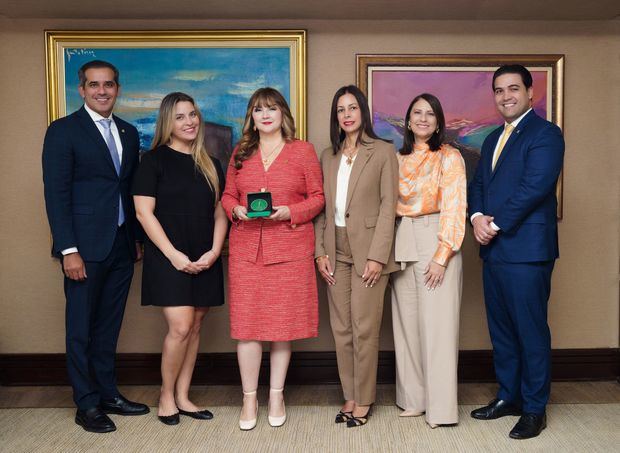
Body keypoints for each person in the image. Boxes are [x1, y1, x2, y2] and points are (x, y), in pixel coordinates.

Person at [42, 60, 149, 433]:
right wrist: (68, 249)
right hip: (83, 248)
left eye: (108, 84)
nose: (102, 91)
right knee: (81, 327)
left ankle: (107, 394)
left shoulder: (129, 132)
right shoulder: (63, 131)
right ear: (82, 89)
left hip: (121, 245)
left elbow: (129, 189)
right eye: (94, 85)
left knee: (108, 325)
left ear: (117, 88)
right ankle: (85, 403)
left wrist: (135, 238)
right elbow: (56, 195)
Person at [468, 65, 565, 439]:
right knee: (503, 330)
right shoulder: (492, 139)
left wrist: (492, 225)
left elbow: (534, 187)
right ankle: (509, 396)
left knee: (530, 330)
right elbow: (478, 184)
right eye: (498, 90)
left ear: (529, 92)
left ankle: (535, 408)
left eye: (513, 88)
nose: (505, 96)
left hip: (526, 251)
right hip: (494, 252)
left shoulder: (546, 134)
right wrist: (476, 216)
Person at [221, 87, 324, 430]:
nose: (265, 115)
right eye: (258, 110)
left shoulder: (303, 151)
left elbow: (318, 198)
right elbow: (228, 195)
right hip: (247, 249)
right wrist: (235, 209)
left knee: (282, 328)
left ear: (283, 114)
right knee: (247, 328)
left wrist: (289, 211)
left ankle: (276, 394)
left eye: (271, 109)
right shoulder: (241, 152)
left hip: (289, 249)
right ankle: (249, 398)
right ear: (251, 117)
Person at [132, 92, 227, 425]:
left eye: (193, 115)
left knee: (196, 325)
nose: (189, 122)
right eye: (180, 117)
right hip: (168, 256)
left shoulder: (212, 164)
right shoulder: (152, 160)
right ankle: (166, 394)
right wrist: (173, 255)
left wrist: (215, 251)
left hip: (205, 255)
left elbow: (220, 213)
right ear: (167, 123)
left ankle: (184, 396)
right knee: (181, 326)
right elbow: (144, 214)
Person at [315, 85, 399, 428]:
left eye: (352, 108)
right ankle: (348, 394)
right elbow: (322, 208)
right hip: (335, 249)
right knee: (341, 328)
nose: (347, 114)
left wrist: (378, 257)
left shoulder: (382, 151)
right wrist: (319, 250)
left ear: (363, 111)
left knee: (365, 328)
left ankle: (364, 399)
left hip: (368, 250)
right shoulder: (328, 156)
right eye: (340, 110)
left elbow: (388, 207)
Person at [390, 93, 466, 428]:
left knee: (438, 329)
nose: (423, 118)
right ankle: (414, 400)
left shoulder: (449, 157)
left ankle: (441, 409)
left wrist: (442, 255)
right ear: (408, 121)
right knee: (406, 325)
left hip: (437, 237)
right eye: (417, 113)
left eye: (430, 114)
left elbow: (455, 206)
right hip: (402, 237)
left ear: (438, 122)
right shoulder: (396, 159)